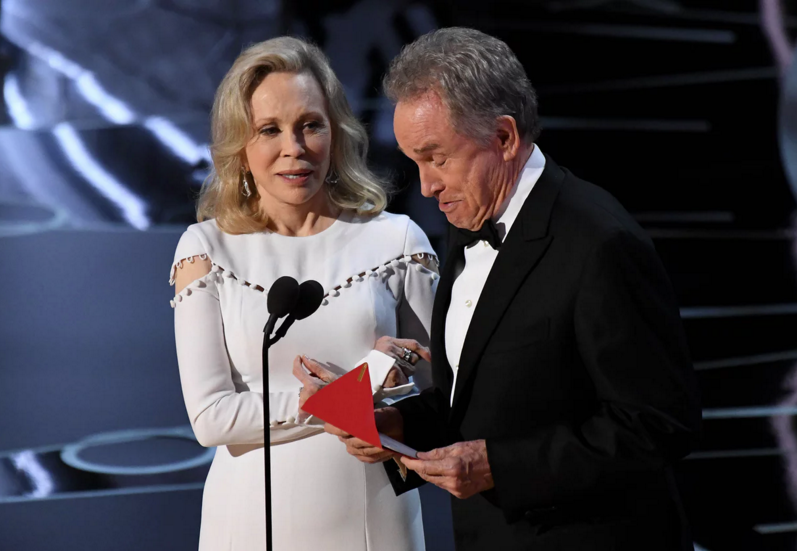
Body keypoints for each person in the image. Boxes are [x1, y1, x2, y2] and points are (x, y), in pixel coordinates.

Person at [327, 27, 702, 550]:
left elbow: (658, 424)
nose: (427, 186)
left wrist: (499, 466)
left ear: (503, 138)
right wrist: (401, 425)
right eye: (415, 162)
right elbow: (482, 398)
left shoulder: (600, 242)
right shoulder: (468, 218)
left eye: (437, 158)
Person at [170, 37, 438, 551]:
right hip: (247, 521)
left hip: (375, 519)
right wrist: (349, 393)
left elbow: (443, 389)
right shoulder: (205, 249)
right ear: (240, 146)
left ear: (335, 132)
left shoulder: (397, 241)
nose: (294, 147)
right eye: (269, 129)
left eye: (310, 124)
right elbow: (210, 418)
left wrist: (394, 383)